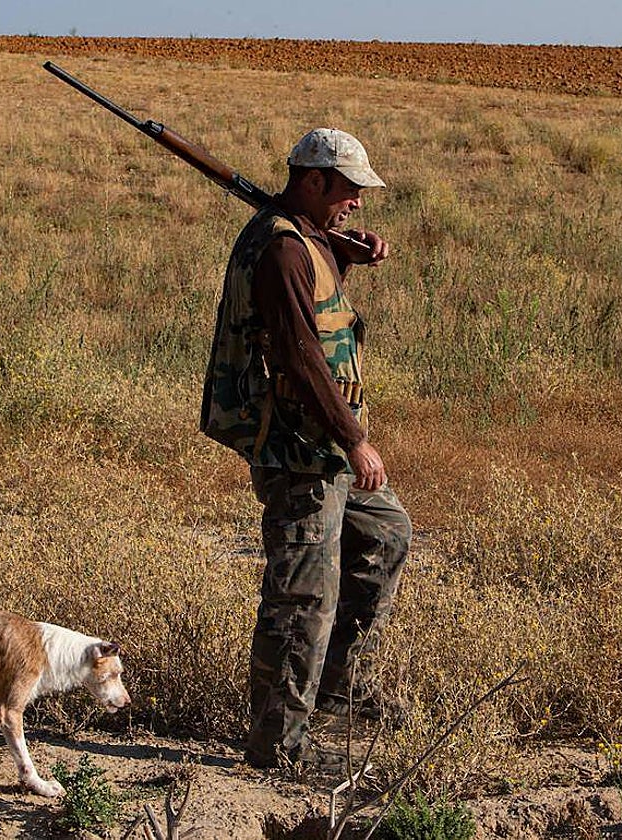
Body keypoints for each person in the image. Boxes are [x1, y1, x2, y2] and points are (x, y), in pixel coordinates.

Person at [200, 128, 411, 770]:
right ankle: (277, 746)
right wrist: (356, 439)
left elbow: (314, 311)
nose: (356, 203)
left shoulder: (304, 240)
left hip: (320, 445)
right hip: (300, 450)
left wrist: (344, 253)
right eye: (348, 190)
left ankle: (338, 699)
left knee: (385, 537)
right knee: (301, 597)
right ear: (313, 181)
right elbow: (297, 353)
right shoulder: (283, 250)